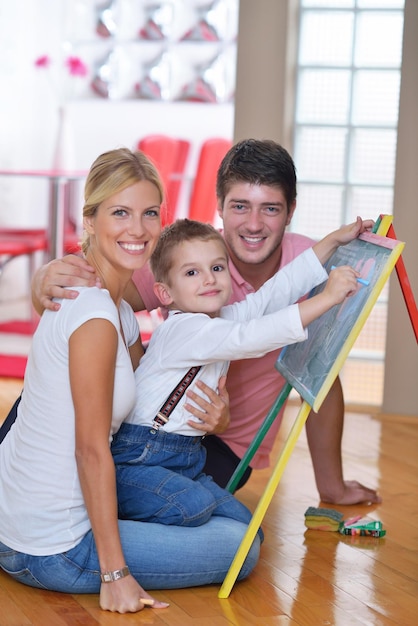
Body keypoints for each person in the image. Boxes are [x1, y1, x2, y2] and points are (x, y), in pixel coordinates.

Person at [31, 139, 381, 506]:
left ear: (291, 210)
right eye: (240, 206)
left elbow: (318, 366)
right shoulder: (187, 259)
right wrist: (45, 279)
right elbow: (97, 298)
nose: (254, 224)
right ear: (220, 207)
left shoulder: (301, 264)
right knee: (194, 520)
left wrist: (332, 486)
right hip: (149, 434)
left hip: (222, 446)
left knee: (231, 530)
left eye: (271, 208)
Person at [0, 148, 261, 615]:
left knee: (242, 525)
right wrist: (115, 574)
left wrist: (216, 422)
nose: (137, 229)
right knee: (244, 546)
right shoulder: (96, 315)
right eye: (120, 213)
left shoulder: (117, 310)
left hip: (24, 523)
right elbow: (91, 448)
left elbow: (148, 396)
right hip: (53, 546)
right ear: (90, 219)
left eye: (149, 213)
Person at [111, 216, 369, 530]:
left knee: (245, 527)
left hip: (183, 457)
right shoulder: (186, 329)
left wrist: (331, 242)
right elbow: (251, 337)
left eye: (217, 268)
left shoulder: (219, 319)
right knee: (195, 507)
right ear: (166, 294)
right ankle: (116, 513)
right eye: (192, 272)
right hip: (142, 455)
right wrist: (327, 298)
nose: (209, 279)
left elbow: (272, 295)